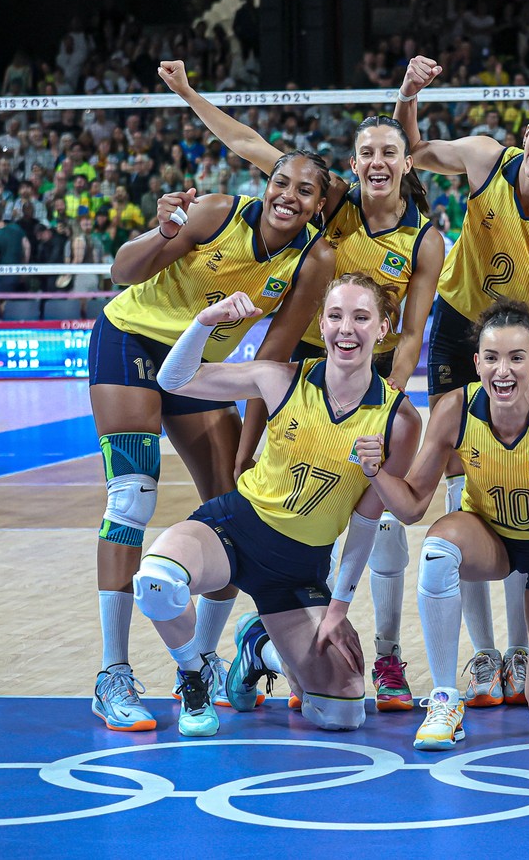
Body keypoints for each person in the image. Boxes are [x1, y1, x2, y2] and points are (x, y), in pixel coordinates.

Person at [160, 60, 444, 712]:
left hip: (365, 387)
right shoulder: (334, 206)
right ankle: (216, 659)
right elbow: (251, 145)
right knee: (255, 510)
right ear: (353, 162)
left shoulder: (425, 240)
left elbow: (412, 337)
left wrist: (387, 409)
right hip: (297, 387)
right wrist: (187, 92)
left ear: (406, 163)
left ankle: (388, 654)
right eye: (366, 152)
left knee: (384, 527)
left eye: (389, 152)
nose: (377, 161)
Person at [87, 152, 335, 731]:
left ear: (319, 206)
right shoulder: (217, 213)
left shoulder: (314, 260)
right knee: (130, 500)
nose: (288, 196)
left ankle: (198, 664)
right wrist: (163, 232)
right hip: (131, 341)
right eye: (280, 182)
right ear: (265, 185)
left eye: (304, 190)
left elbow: (270, 362)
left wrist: (251, 446)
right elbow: (124, 270)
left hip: (199, 368)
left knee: (232, 511)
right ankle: (113, 674)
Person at [395, 55, 529, 710]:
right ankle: (483, 653)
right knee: (467, 485)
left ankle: (523, 645)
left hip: (522, 340)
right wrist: (410, 94)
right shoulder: (487, 157)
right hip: (461, 331)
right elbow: (417, 152)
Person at [133, 276, 421, 736]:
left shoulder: (399, 420)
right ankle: (195, 677)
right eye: (336, 316)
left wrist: (339, 607)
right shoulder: (278, 377)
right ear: (321, 323)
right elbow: (175, 379)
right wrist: (205, 323)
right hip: (233, 529)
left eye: (362, 317)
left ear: (384, 327)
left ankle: (258, 647)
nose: (347, 328)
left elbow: (367, 521)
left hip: (300, 567)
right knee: (157, 582)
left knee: (342, 712)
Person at [367, 300, 529, 749]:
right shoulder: (455, 409)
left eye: (516, 358)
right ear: (476, 363)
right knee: (436, 552)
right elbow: (413, 506)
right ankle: (444, 699)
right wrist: (377, 473)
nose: (503, 371)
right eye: (492, 358)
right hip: (490, 538)